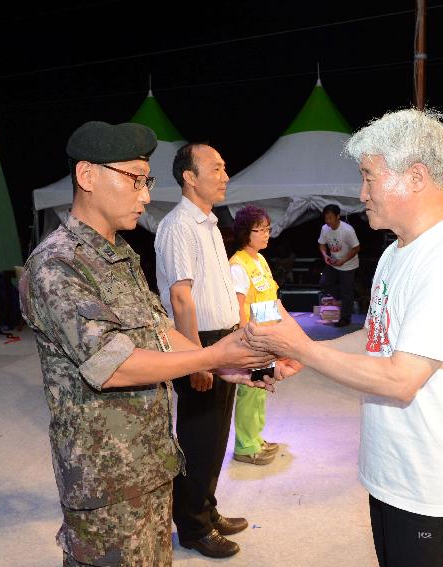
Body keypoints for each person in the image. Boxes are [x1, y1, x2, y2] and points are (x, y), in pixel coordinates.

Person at [246, 108, 443, 567]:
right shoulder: (397, 251)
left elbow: (400, 378)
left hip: (431, 487)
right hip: (392, 473)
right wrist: (306, 357)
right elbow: (377, 337)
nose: (361, 193)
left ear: (417, 176)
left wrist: (299, 345)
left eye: (369, 177)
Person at [19, 122, 273, 567]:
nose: (144, 194)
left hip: (151, 465)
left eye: (147, 181)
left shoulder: (119, 255)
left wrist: (222, 366)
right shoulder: (56, 264)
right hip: (105, 484)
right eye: (135, 179)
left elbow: (160, 331)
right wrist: (213, 354)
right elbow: (112, 363)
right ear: (88, 176)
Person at [154, 142, 246, 558]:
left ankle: (206, 509)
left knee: (215, 436)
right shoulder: (178, 225)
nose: (225, 175)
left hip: (220, 338)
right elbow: (181, 298)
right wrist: (196, 356)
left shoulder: (207, 222)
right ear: (190, 177)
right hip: (198, 340)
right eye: (217, 168)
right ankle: (192, 527)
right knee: (197, 436)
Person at [228, 205, 281, 466]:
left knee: (261, 390)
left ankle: (256, 437)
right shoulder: (238, 265)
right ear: (244, 233)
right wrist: (245, 342)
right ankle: (245, 446)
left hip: (267, 339)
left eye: (267, 229)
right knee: (249, 393)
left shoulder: (260, 261)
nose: (265, 234)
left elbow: (269, 299)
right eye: (259, 230)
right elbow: (238, 308)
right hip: (252, 341)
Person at [318, 203, 360, 327]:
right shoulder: (325, 228)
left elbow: (356, 248)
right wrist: (325, 255)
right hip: (334, 262)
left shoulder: (347, 230)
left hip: (349, 265)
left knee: (347, 291)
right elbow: (321, 244)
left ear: (337, 216)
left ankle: (345, 319)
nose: (328, 221)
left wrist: (344, 260)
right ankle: (342, 298)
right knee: (324, 283)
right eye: (326, 218)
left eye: (330, 217)